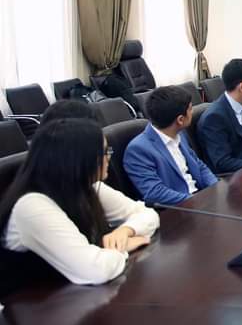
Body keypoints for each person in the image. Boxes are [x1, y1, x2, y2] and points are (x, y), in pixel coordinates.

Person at [0, 118, 158, 292]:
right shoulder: (31, 206)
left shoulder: (85, 186)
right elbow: (96, 271)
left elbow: (147, 213)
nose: (109, 157)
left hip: (77, 293)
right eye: (105, 152)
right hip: (36, 302)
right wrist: (122, 249)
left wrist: (126, 231)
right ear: (79, 159)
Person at [123, 86, 218, 205]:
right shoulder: (138, 150)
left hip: (201, 198)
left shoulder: (179, 133)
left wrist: (217, 187)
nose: (192, 112)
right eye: (190, 109)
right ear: (180, 120)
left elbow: (199, 166)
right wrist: (195, 201)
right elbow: (155, 193)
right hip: (179, 207)